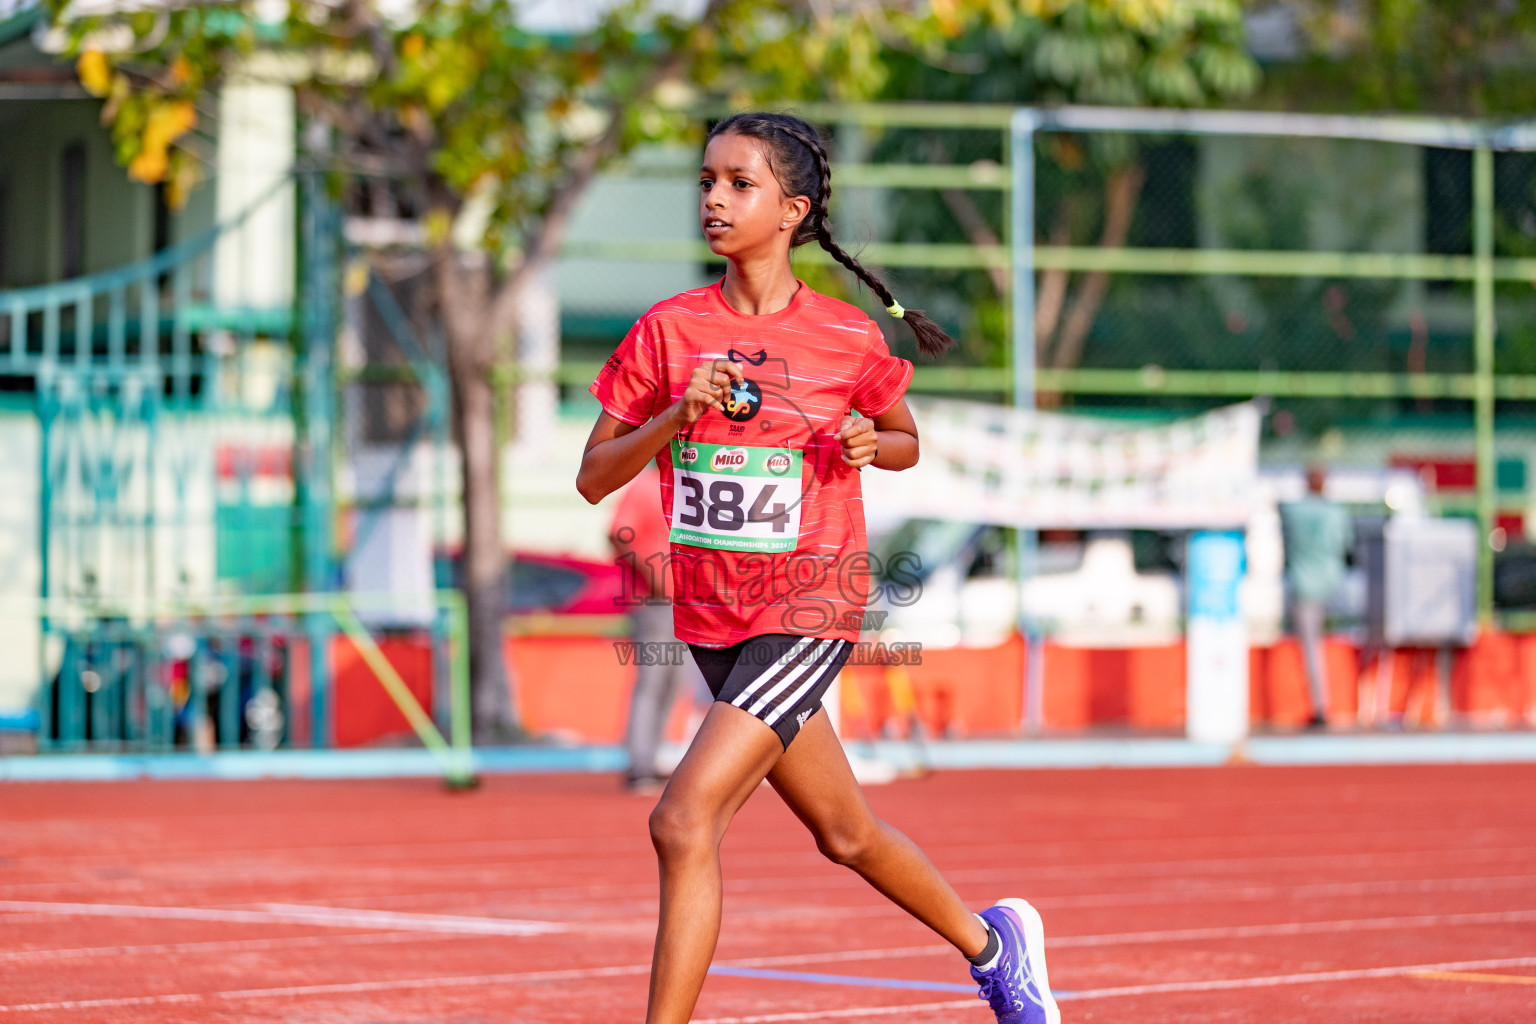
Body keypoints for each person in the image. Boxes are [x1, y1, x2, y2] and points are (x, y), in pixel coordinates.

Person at [576, 112, 1059, 1024]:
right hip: (713, 618)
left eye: (740, 184)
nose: (715, 199)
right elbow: (594, 477)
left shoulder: (845, 337)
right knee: (845, 833)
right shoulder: (667, 332)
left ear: (792, 210)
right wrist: (671, 422)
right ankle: (995, 949)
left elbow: (907, 439)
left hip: (809, 607)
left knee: (681, 822)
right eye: (707, 180)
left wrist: (872, 439)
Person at [611, 464, 711, 792]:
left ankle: (649, 759)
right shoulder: (646, 485)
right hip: (654, 602)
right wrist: (651, 576)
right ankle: (639, 763)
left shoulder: (688, 484)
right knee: (652, 679)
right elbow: (617, 532)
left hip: (687, 601)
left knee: (673, 682)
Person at [1280, 464, 1353, 728]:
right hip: (1335, 583)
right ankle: (1346, 704)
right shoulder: (1336, 512)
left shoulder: (1292, 511)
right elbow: (1346, 544)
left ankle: (1320, 706)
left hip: (1304, 585)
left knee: (1312, 648)